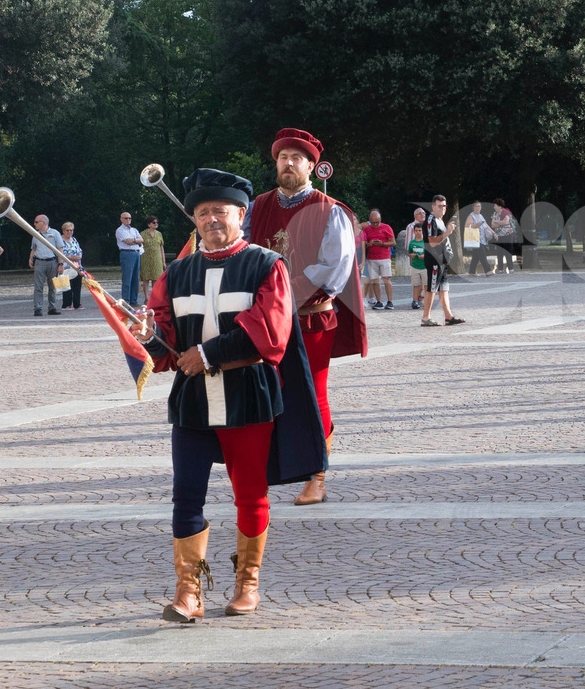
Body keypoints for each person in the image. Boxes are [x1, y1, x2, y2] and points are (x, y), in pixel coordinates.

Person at [131, 168, 326, 623]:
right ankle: (188, 592)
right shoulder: (177, 273)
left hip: (247, 394)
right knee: (185, 495)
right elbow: (166, 341)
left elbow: (270, 331)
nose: (212, 219)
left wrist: (207, 354)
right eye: (203, 213)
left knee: (250, 494)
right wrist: (145, 336)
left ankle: (246, 584)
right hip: (193, 399)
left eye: (220, 210)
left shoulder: (266, 265)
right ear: (194, 220)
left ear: (241, 214)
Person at [247, 127, 365, 506]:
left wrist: (282, 292)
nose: (289, 163)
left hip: (310, 317)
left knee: (313, 394)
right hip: (266, 318)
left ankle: (317, 476)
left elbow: (333, 269)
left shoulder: (331, 211)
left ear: (311, 166)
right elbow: (243, 253)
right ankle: (264, 471)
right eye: (283, 157)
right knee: (264, 391)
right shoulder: (257, 207)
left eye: (297, 158)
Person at [421, 195, 464, 326]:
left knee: (444, 288)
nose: (443, 208)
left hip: (442, 260)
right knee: (432, 288)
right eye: (440, 206)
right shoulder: (431, 221)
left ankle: (448, 316)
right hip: (434, 259)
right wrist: (448, 232)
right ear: (433, 207)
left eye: (444, 206)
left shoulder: (439, 220)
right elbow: (432, 242)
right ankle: (426, 317)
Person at [28, 214, 65, 317]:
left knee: (52, 286)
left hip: (52, 262)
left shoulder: (55, 233)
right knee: (38, 286)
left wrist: (61, 263)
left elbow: (60, 249)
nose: (34, 224)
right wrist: (31, 258)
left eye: (36, 222)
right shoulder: (35, 234)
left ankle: (52, 307)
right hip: (39, 262)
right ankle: (38, 308)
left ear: (43, 223)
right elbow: (34, 248)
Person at [360, 209, 395, 310]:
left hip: (384, 257)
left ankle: (390, 301)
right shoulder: (367, 229)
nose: (375, 224)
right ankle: (379, 301)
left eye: (377, 222)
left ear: (380, 219)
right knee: (375, 280)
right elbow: (364, 244)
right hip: (372, 258)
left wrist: (382, 244)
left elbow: (393, 242)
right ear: (369, 220)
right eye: (373, 222)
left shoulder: (386, 227)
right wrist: (369, 244)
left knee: (386, 279)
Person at [116, 212, 144, 306]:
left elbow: (142, 240)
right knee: (127, 278)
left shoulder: (134, 230)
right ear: (121, 219)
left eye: (129, 218)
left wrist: (134, 240)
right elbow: (128, 242)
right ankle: (126, 300)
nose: (128, 220)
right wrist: (136, 241)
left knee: (135, 278)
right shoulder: (120, 230)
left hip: (136, 253)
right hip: (127, 253)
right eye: (126, 218)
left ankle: (133, 300)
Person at [401, 207, 427, 308]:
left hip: (425, 257)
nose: (423, 215)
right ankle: (418, 298)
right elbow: (408, 244)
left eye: (424, 213)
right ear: (415, 215)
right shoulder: (411, 226)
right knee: (417, 280)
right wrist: (411, 255)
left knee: (425, 280)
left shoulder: (426, 225)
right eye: (420, 213)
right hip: (415, 256)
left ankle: (423, 297)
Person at [140, 216, 166, 303]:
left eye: (157, 222)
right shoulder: (142, 234)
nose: (156, 224)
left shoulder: (159, 234)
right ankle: (146, 298)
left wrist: (163, 261)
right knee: (146, 278)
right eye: (154, 222)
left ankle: (154, 297)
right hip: (146, 259)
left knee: (156, 278)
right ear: (149, 224)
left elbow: (161, 248)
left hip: (157, 259)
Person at [464, 202, 494, 277]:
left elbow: (486, 225)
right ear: (473, 207)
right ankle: (488, 271)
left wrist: (493, 232)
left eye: (479, 206)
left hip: (482, 239)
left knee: (476, 257)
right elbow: (467, 226)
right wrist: (476, 225)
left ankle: (471, 272)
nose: (478, 207)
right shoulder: (471, 216)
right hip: (476, 239)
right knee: (482, 255)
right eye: (476, 206)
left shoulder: (481, 216)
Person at [59, 222, 83, 310]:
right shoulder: (60, 240)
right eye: (67, 230)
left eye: (71, 230)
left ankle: (77, 303)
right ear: (63, 231)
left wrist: (79, 256)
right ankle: (67, 304)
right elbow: (59, 253)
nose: (69, 232)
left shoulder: (74, 239)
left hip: (77, 266)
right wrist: (71, 258)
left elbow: (79, 250)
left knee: (77, 284)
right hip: (66, 265)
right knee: (68, 285)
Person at [490, 198, 518, 273]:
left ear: (499, 206)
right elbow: (492, 225)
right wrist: (501, 223)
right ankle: (500, 269)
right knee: (499, 253)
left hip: (507, 235)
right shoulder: (494, 214)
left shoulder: (506, 212)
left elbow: (506, 222)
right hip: (498, 236)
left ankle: (511, 268)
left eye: (495, 206)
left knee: (508, 252)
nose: (494, 207)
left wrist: (496, 222)